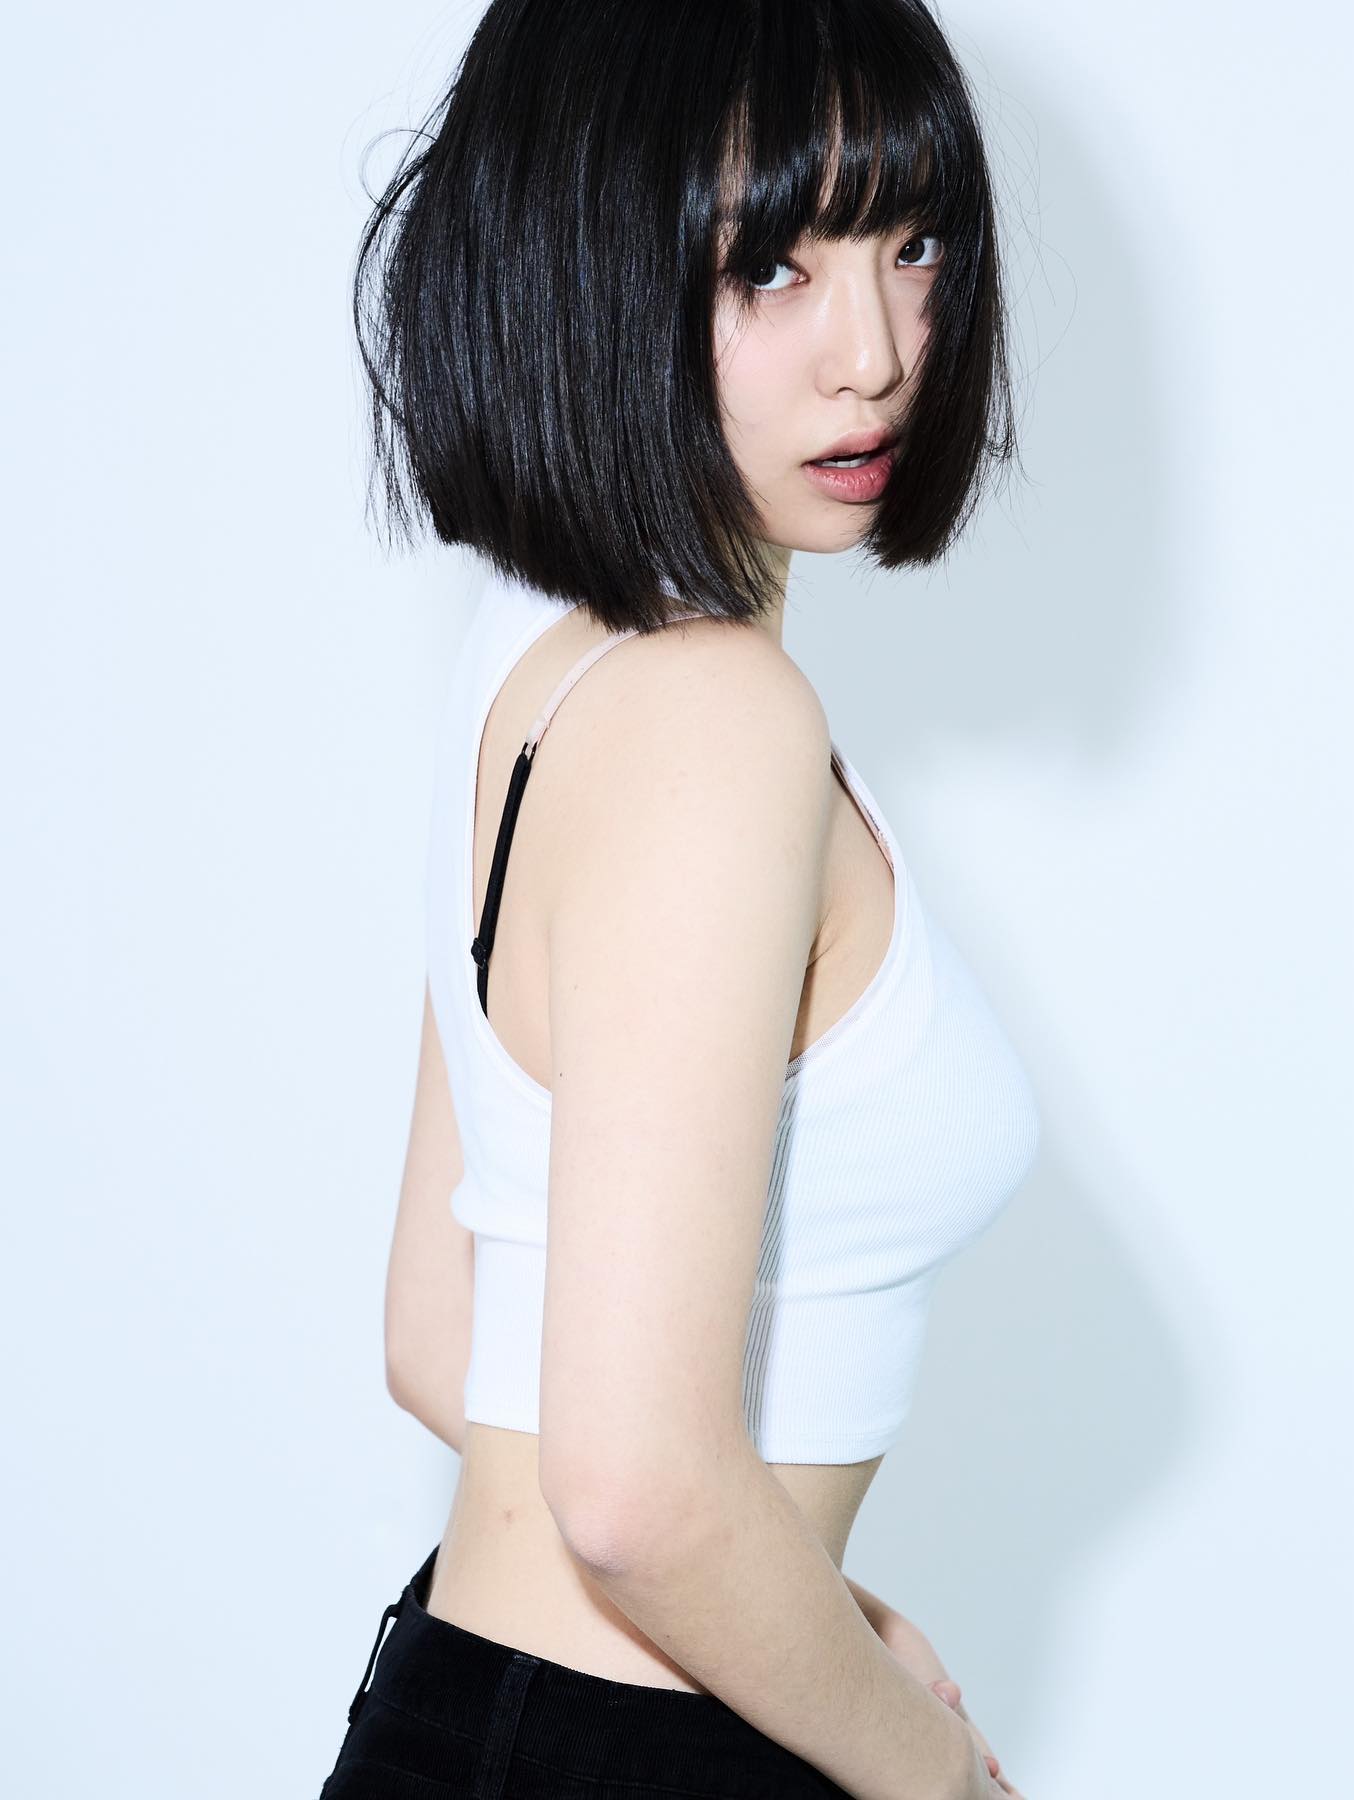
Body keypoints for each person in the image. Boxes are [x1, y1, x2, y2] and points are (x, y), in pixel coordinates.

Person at [324, 2, 1038, 1795]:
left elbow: (439, 1327)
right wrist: (933, 1774)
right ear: (587, 264)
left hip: (498, 1707)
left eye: (914, 244)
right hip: (634, 1754)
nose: (877, 354)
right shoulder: (719, 719)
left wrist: (821, 1625)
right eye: (770, 266)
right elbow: (634, 1491)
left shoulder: (542, 666)